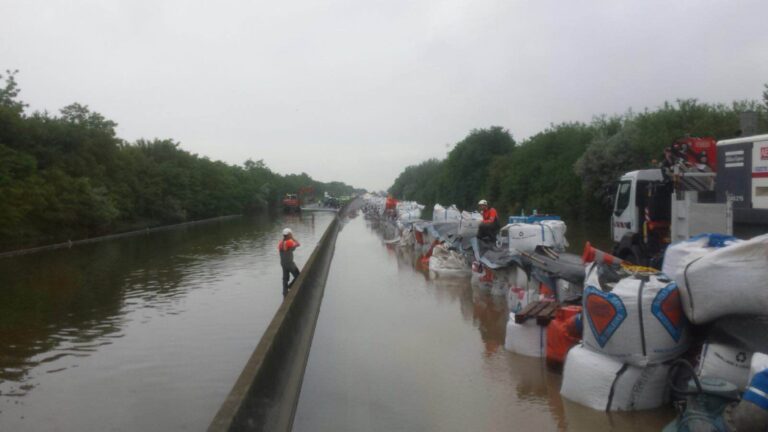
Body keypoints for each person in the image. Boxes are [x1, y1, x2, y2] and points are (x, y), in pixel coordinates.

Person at [278, 228, 301, 297]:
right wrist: (293, 238)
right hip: (290, 264)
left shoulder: (280, 243)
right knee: (298, 276)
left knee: (285, 278)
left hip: (283, 263)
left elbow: (284, 249)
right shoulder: (289, 242)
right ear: (288, 235)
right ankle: (290, 286)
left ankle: (285, 292)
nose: (291, 235)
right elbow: (298, 244)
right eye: (291, 234)